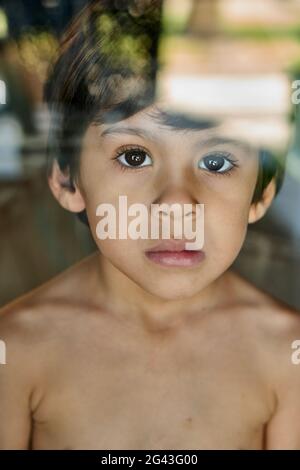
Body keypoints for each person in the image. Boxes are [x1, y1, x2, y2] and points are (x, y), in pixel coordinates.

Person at [0, 0, 300, 450]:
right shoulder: (15, 349)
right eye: (134, 156)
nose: (177, 203)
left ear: (260, 193)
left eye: (216, 161)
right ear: (67, 179)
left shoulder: (286, 355)